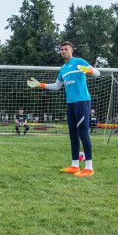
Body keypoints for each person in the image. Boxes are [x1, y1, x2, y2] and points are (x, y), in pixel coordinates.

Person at [28, 41, 100, 177]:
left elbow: (98, 73)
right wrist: (40, 85)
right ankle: (75, 165)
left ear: (71, 50)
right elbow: (57, 86)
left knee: (83, 133)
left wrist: (89, 70)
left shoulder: (79, 62)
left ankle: (89, 168)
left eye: (66, 49)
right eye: (61, 49)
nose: (63, 51)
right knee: (73, 134)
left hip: (82, 101)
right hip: (70, 103)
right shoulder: (63, 69)